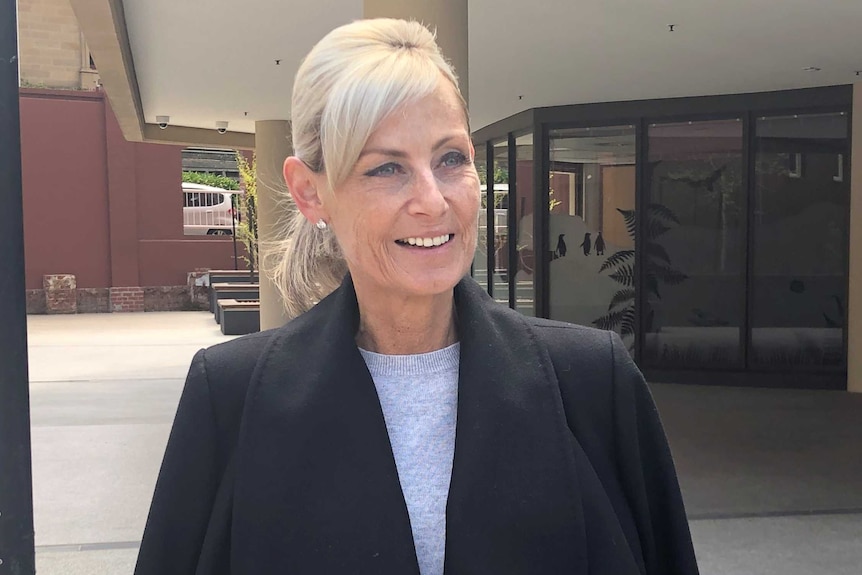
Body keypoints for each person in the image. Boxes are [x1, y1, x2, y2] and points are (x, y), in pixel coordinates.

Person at [134, 18, 699, 575]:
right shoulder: (230, 397)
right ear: (311, 193)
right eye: (386, 168)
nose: (433, 201)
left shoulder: (593, 384)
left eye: (451, 158)